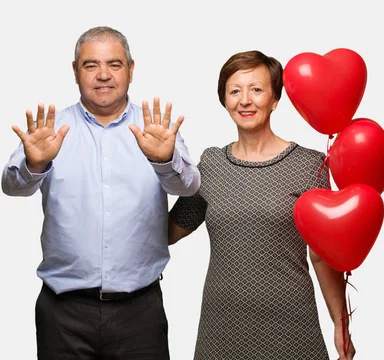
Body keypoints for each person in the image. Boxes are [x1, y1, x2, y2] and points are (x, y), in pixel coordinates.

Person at [1, 26, 200, 359]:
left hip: (140, 312)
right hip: (63, 312)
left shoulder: (155, 129)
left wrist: (164, 159)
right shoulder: (52, 130)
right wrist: (34, 165)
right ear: (75, 71)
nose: (103, 75)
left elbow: (188, 186)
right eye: (91, 65)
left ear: (131, 70)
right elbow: (10, 186)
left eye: (115, 64)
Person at [167, 50, 356, 360]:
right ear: (224, 100)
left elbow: (321, 257)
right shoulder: (211, 164)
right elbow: (168, 232)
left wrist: (340, 322)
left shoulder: (310, 166)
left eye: (256, 89)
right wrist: (151, 166)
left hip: (293, 329)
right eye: (235, 91)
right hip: (222, 330)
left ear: (275, 99)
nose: (245, 100)